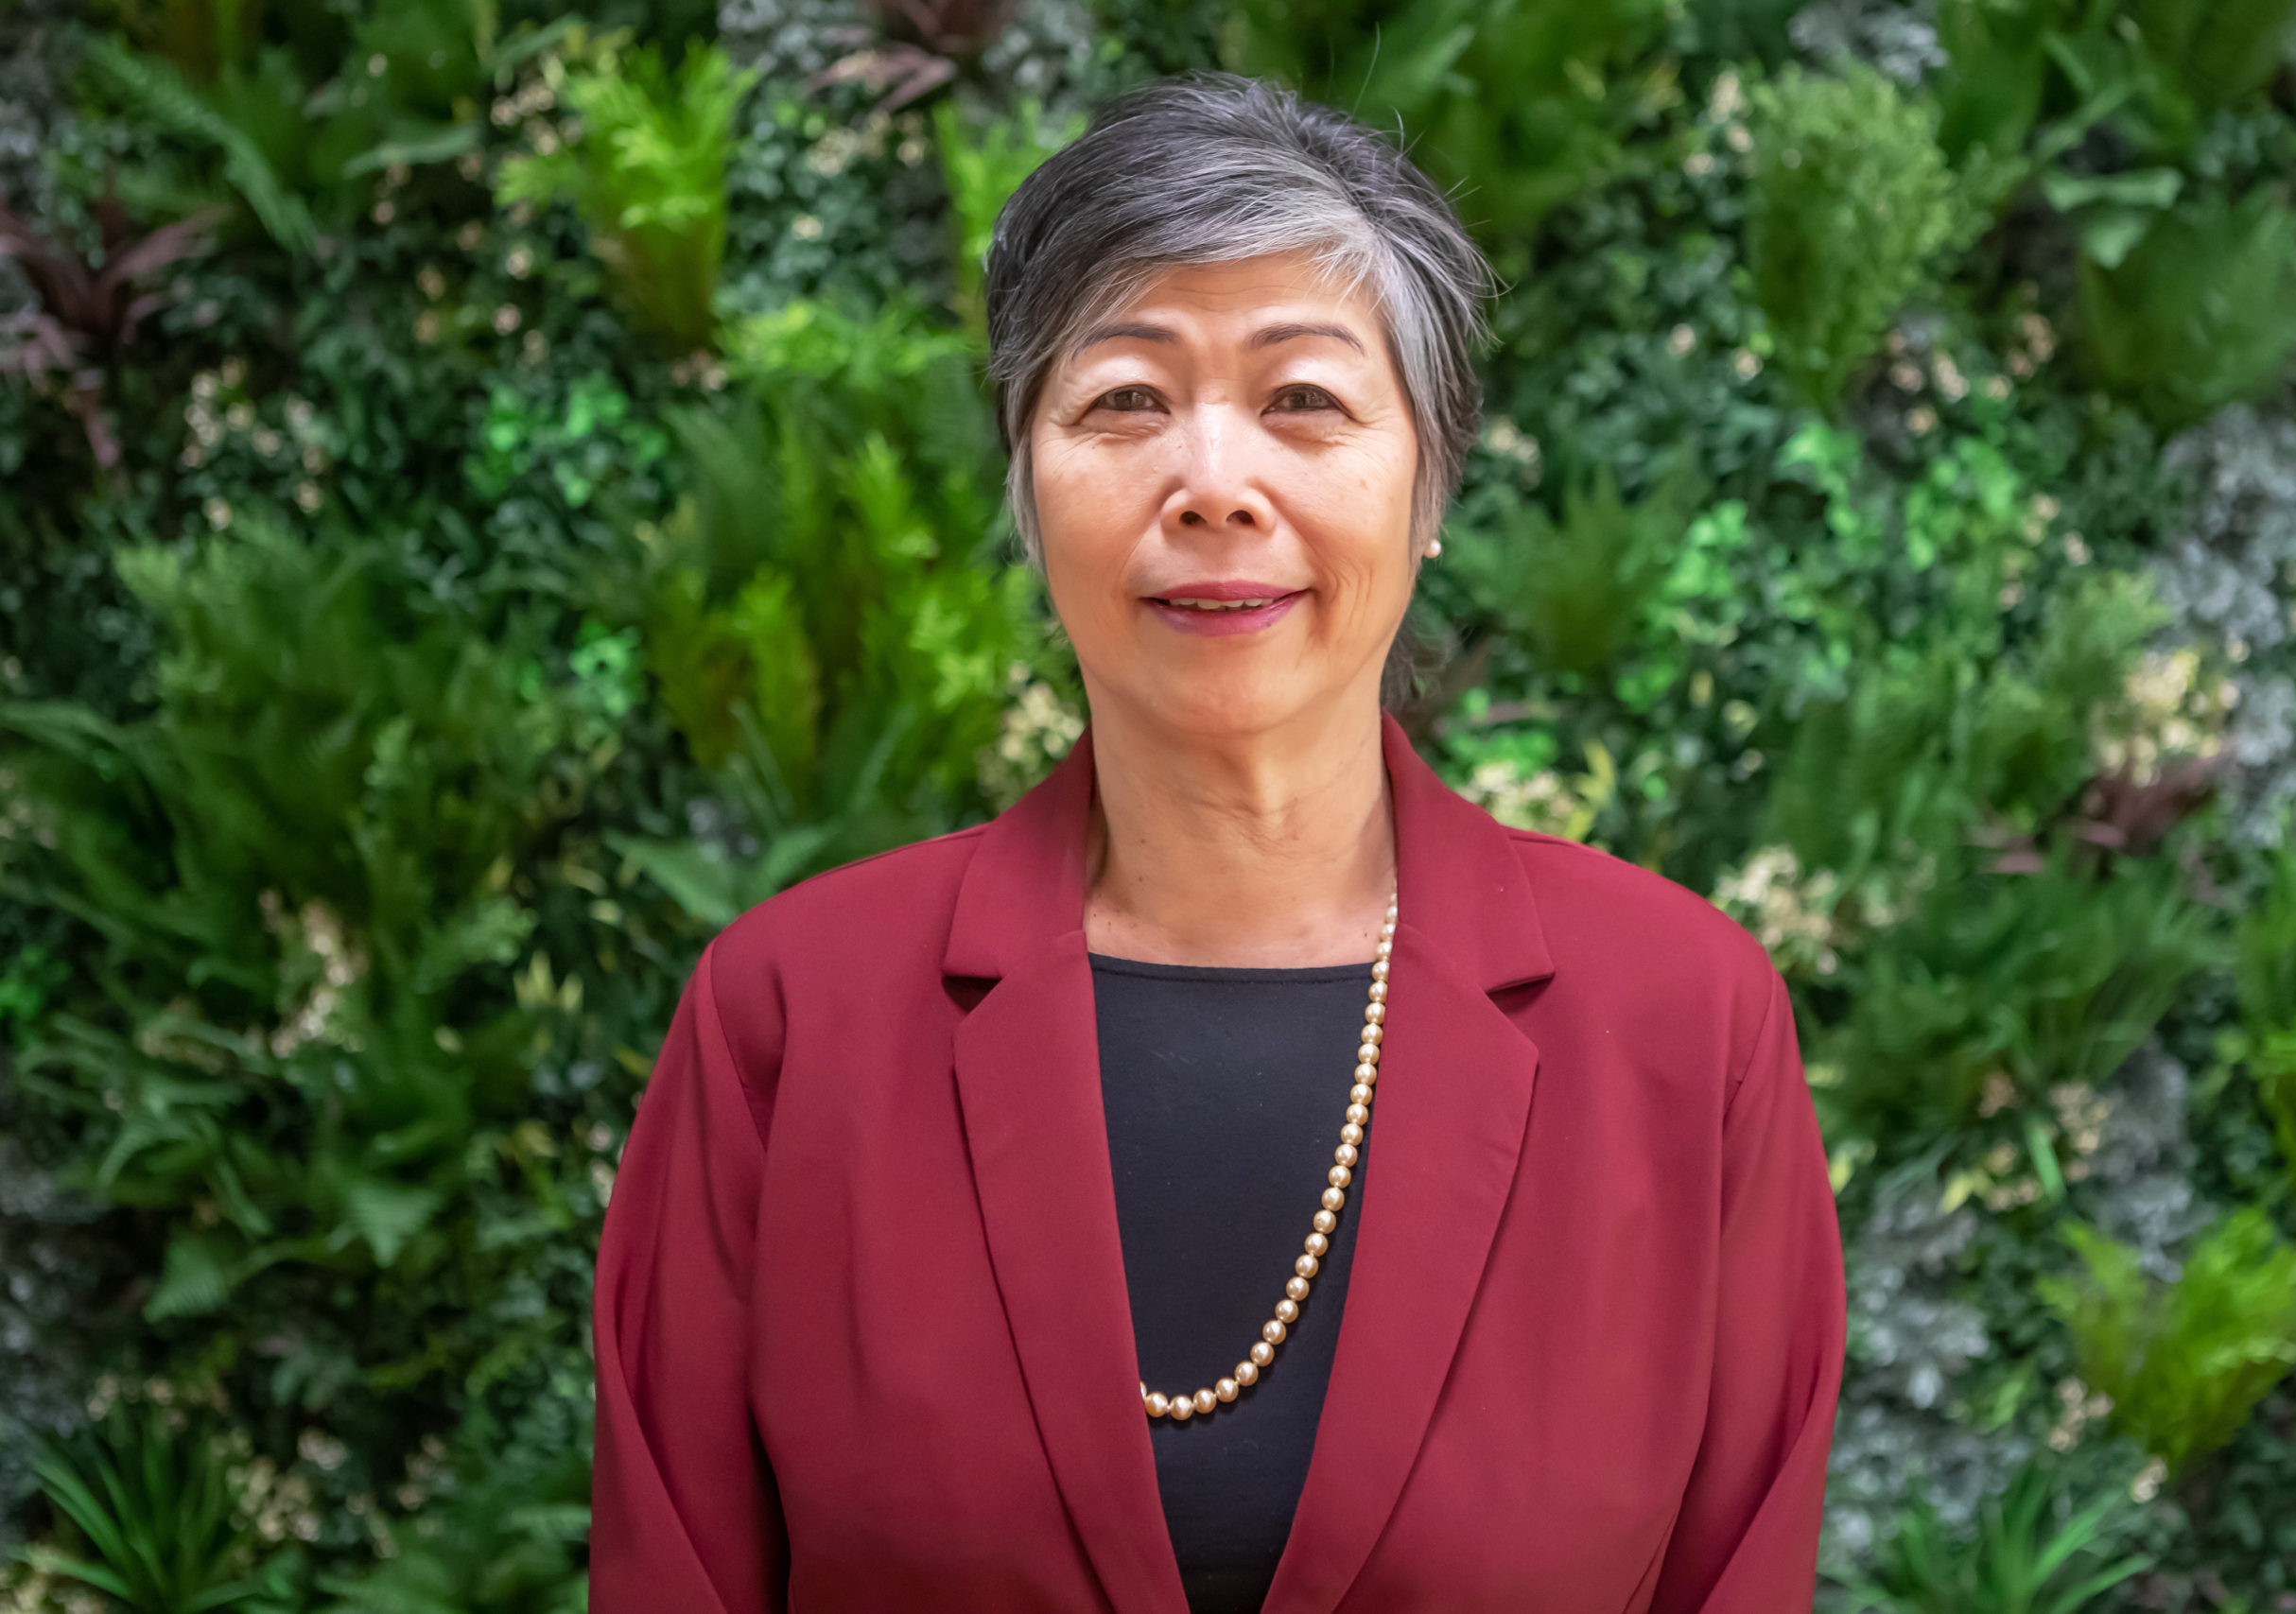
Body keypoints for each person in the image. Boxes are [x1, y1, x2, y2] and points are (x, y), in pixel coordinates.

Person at [590, 72, 1845, 1614]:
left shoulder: (1680, 1026)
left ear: (1430, 482)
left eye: (1303, 400)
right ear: (1029, 491)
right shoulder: (790, 1019)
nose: (1214, 486)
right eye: (1125, 400)